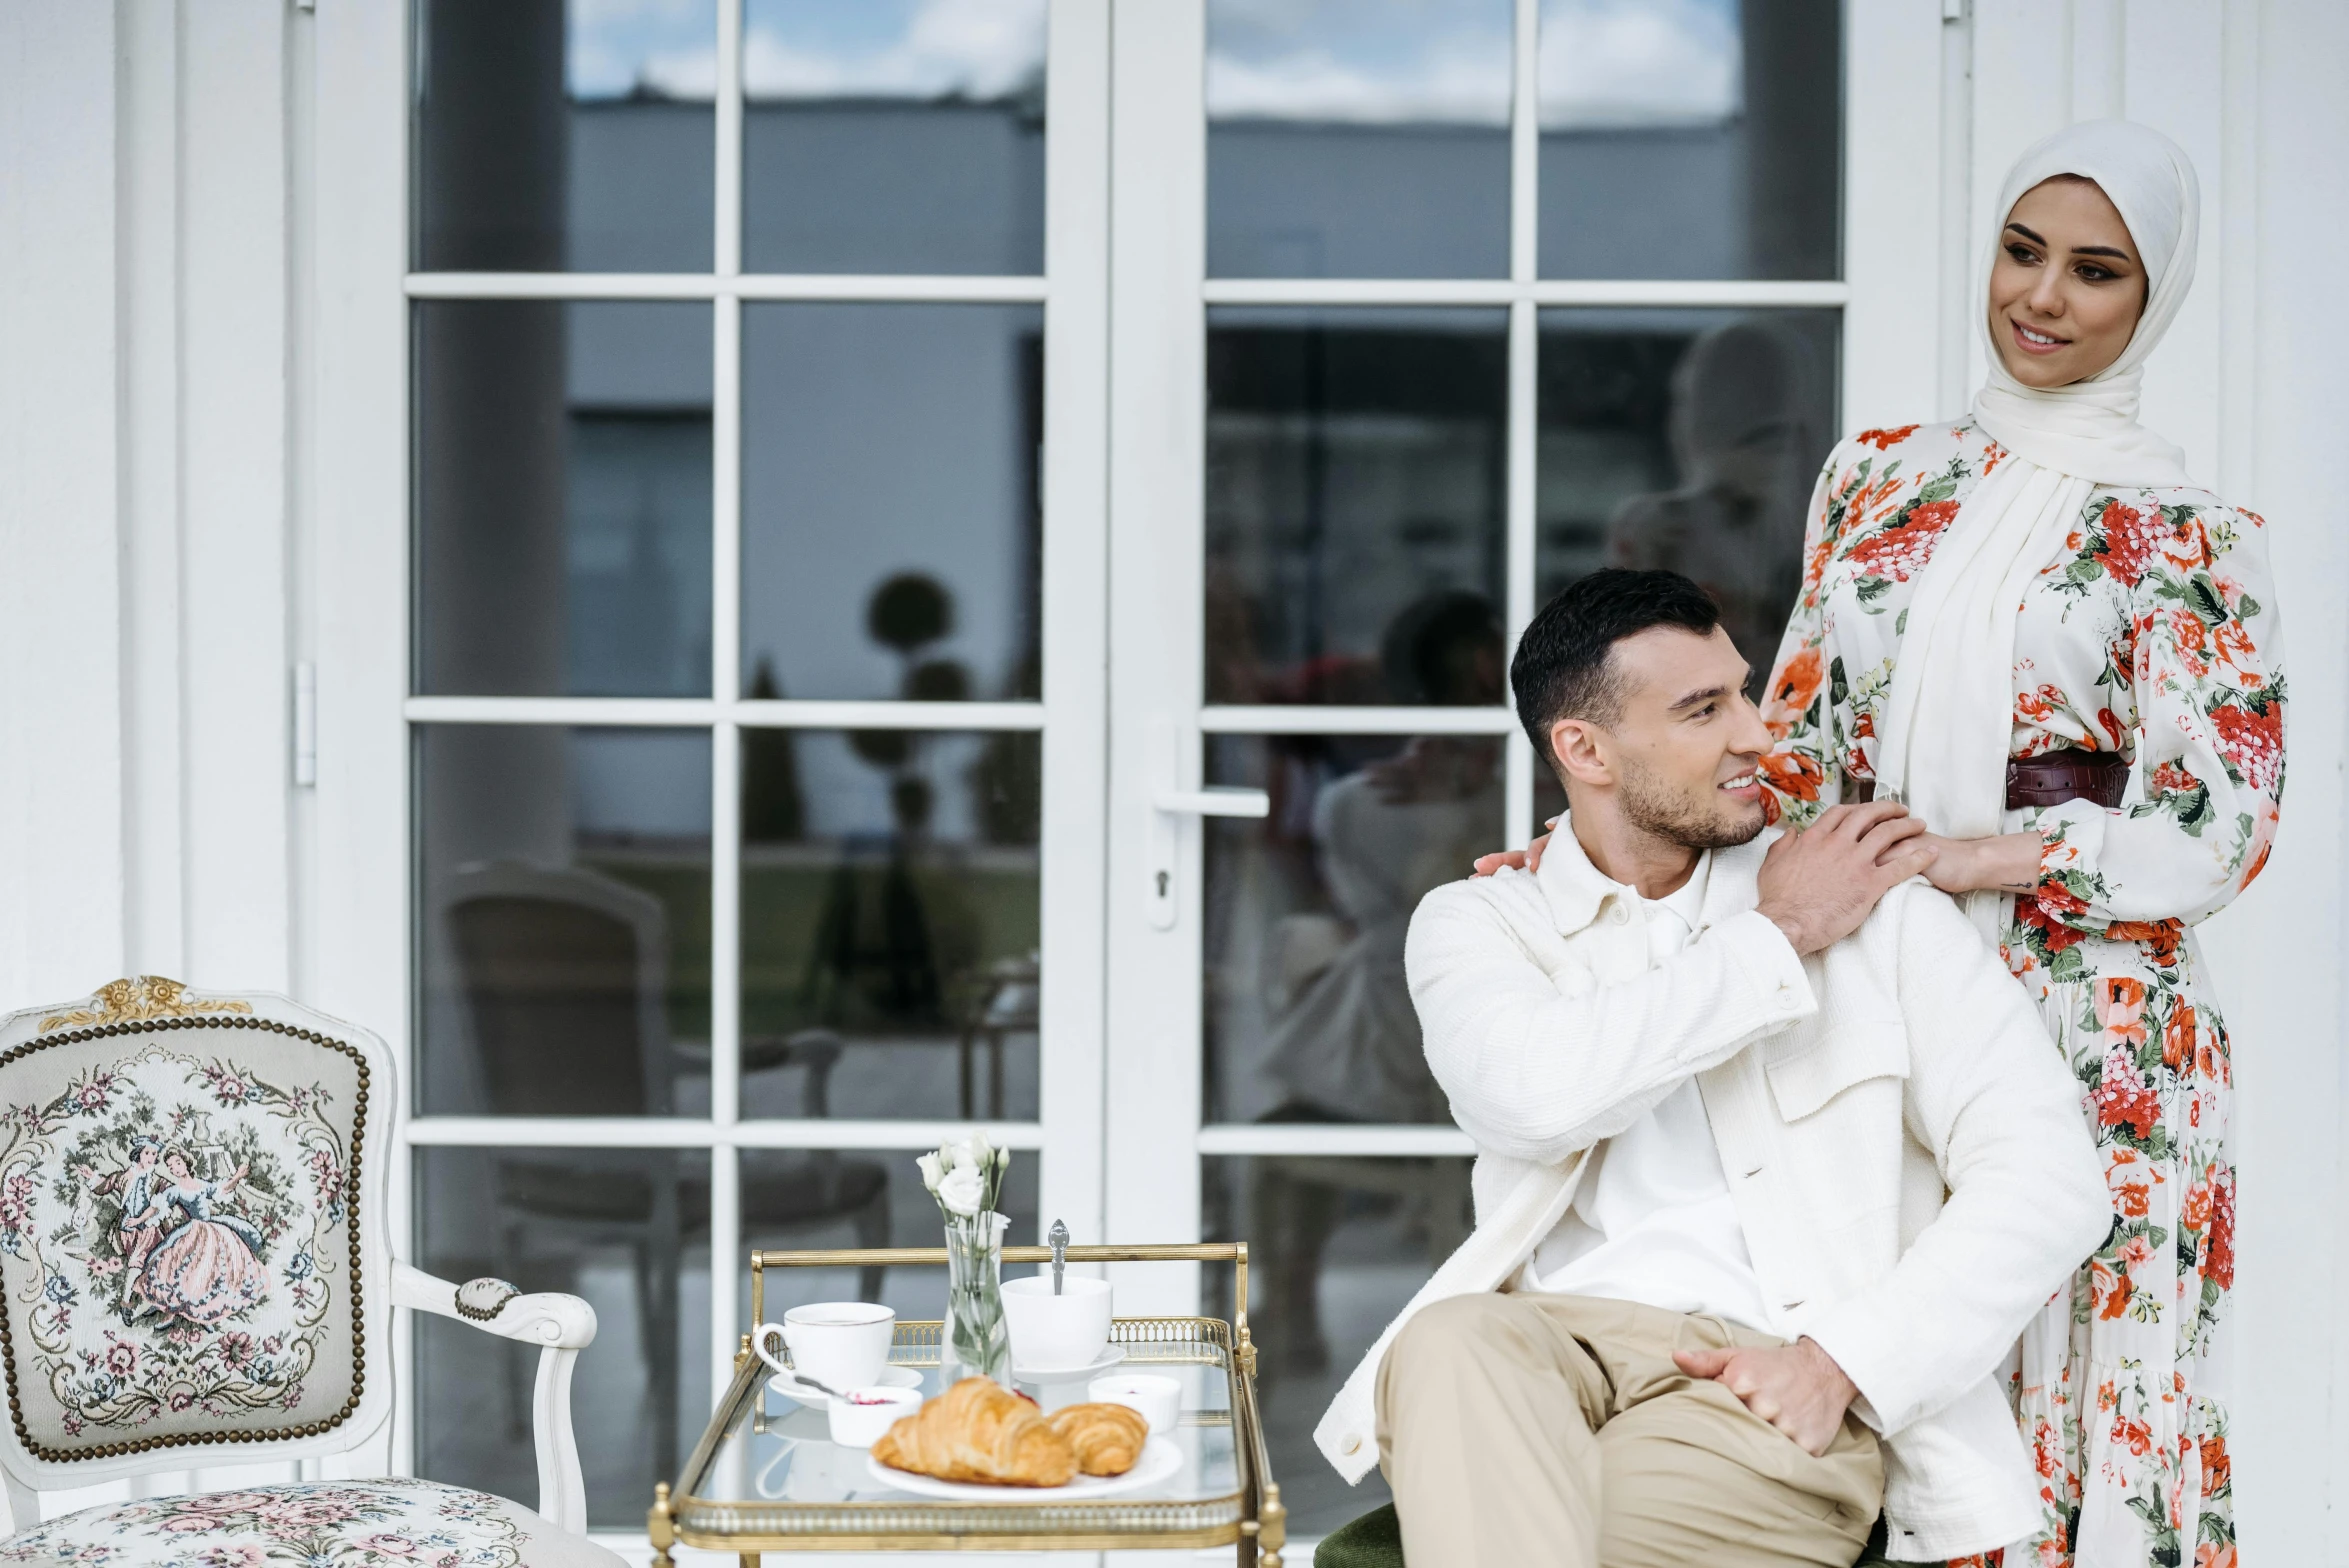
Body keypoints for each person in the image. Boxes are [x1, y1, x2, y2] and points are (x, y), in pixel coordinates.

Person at [1473, 122, 2278, 1567]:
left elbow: (2217, 825)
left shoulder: (2191, 535)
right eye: (2021, 251)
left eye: (2095, 272)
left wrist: (1967, 860)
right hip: (1875, 965)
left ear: (2151, 299)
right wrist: (1576, 843)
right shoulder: (1882, 476)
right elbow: (1787, 733)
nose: (2041, 297)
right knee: (1882, 1338)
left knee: (2074, 1368)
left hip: (2094, 1008)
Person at [1318, 568, 2106, 1567]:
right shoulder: (1482, 921)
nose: (1758, 734)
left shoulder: (1884, 916)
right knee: (1443, 1335)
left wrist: (1838, 1364)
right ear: (1584, 749)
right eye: (1704, 709)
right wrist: (1776, 936)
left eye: (1745, 690)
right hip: (1547, 1347)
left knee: (1546, 1536)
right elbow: (1529, 1097)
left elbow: (2051, 1180)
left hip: (1760, 1374)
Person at [139, 1149, 269, 1325]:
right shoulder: (175, 1190)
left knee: (208, 1270)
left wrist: (237, 1176)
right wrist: (139, 1219)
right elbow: (156, 1207)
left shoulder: (201, 1184)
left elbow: (222, 1188)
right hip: (192, 1230)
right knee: (173, 1263)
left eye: (177, 1163)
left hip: (212, 1229)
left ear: (185, 1162)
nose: (175, 1168)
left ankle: (185, 1311)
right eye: (171, 1167)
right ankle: (164, 1305)